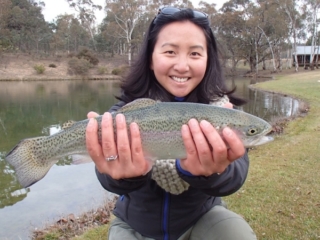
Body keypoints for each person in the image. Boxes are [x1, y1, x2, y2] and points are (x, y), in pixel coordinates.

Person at [85, 7, 256, 240]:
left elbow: (236, 177)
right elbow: (106, 176)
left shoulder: (222, 112)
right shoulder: (124, 114)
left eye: (195, 54)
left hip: (201, 219)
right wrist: (124, 174)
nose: (182, 66)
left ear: (208, 60)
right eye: (170, 52)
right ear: (151, 59)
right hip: (135, 225)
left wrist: (210, 173)